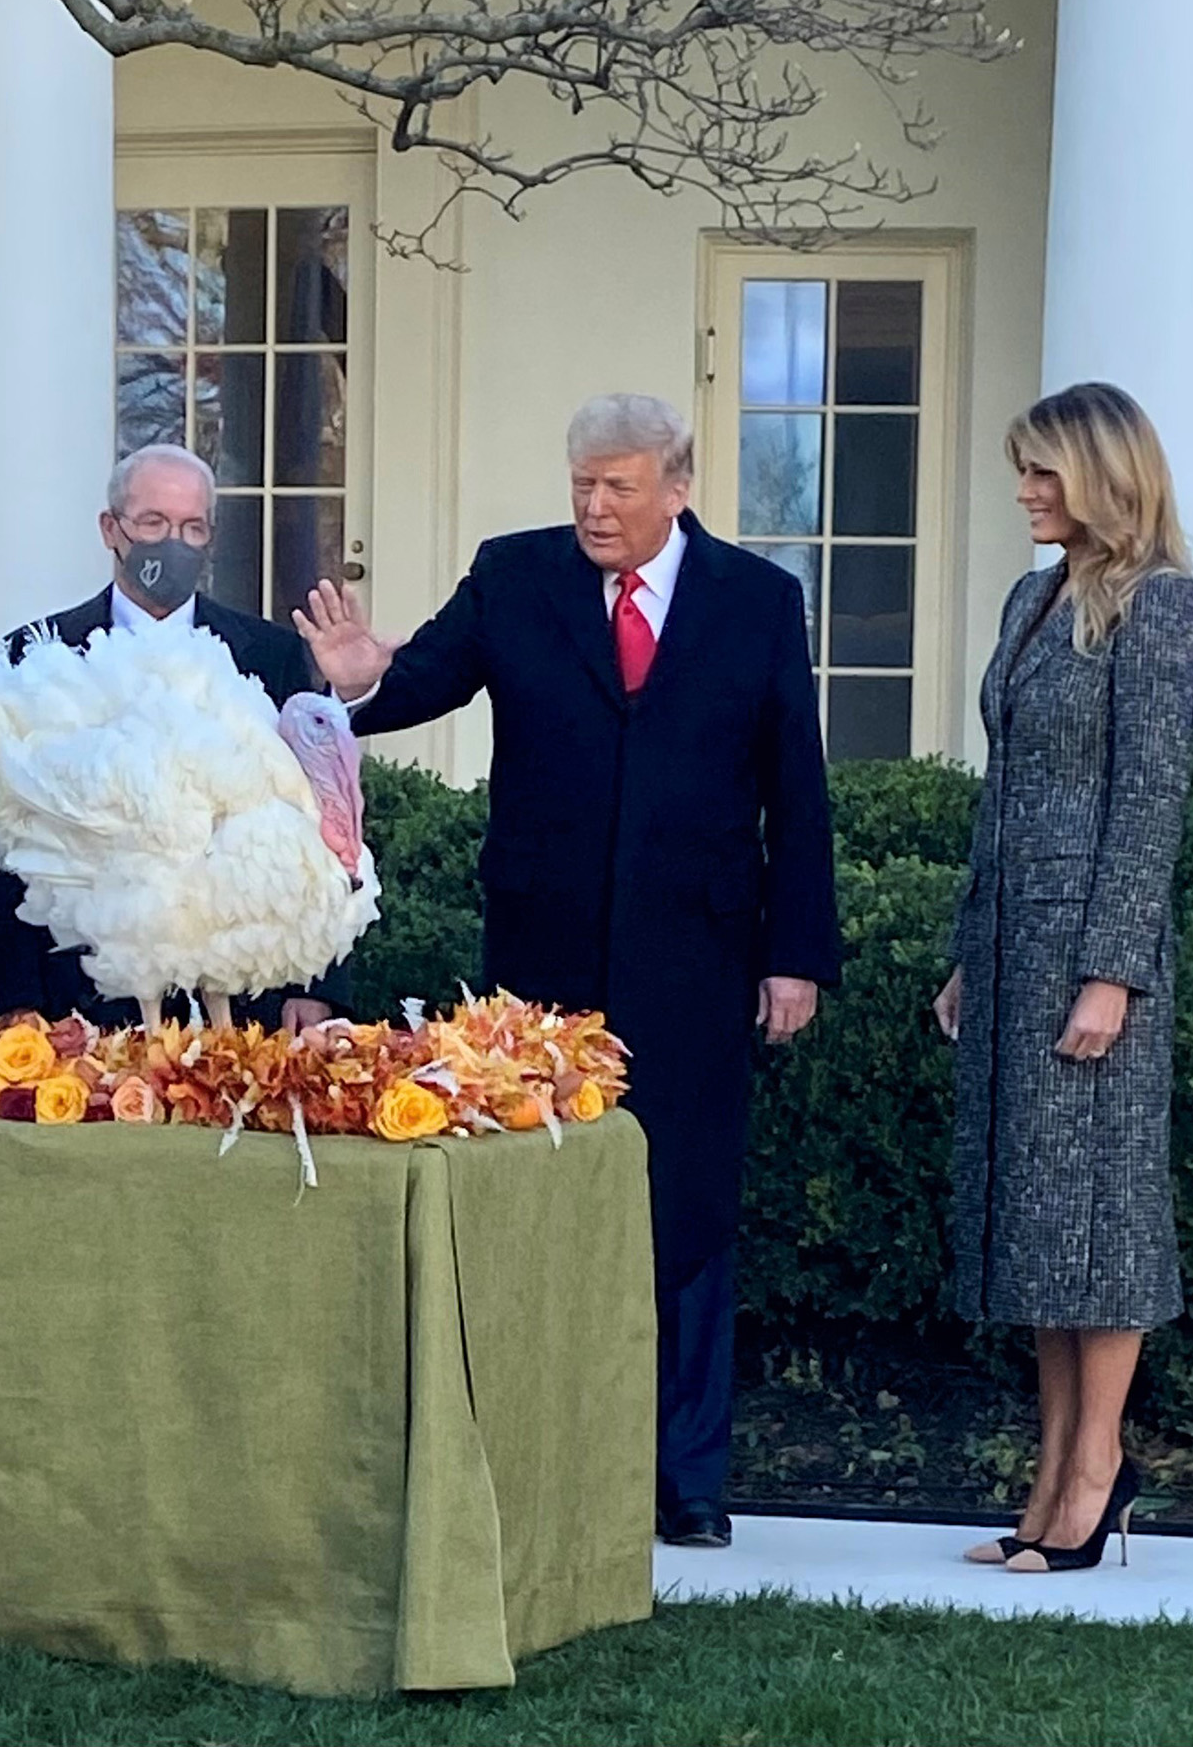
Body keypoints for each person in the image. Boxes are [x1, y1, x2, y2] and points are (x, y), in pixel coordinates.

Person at [295, 393, 841, 1549]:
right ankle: (549, 1460)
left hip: (697, 953)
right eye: (581, 484)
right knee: (543, 1201)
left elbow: (796, 792)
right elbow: (418, 680)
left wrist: (794, 954)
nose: (593, 507)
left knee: (684, 1208)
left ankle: (686, 1480)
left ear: (676, 486)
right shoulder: (515, 575)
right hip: (542, 957)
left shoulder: (756, 600)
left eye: (619, 487)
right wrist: (355, 680)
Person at [931, 382, 1193, 1576]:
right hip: (1009, 946)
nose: (1023, 492)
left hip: (1091, 958)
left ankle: (1096, 1471)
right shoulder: (1029, 595)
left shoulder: (1160, 608)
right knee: (1038, 1229)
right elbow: (1002, 796)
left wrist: (1109, 975)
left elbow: (1148, 802)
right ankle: (1051, 1469)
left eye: (1041, 473)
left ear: (1102, 475)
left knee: (1099, 1225)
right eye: (1022, 471)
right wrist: (964, 949)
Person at [0, 443, 343, 1035]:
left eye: (192, 527)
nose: (173, 542)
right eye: (153, 523)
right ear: (110, 529)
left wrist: (316, 985)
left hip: (244, 994)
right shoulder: (36, 654)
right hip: (81, 997)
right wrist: (13, 996)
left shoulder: (272, 657)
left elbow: (317, 819)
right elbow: (3, 837)